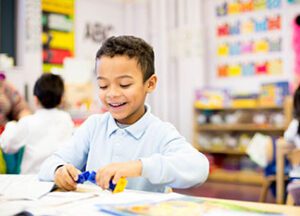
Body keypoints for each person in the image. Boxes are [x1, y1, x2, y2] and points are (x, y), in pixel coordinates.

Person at [39, 35, 209, 193]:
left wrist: (138, 167)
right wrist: (59, 170)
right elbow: (48, 165)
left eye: (125, 84)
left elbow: (199, 168)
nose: (112, 94)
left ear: (150, 84)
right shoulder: (94, 127)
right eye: (103, 86)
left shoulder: (160, 132)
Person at [0, 73, 74, 174]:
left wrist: (11, 125)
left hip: (31, 180)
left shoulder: (28, 122)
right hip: (57, 176)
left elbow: (7, 146)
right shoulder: (66, 119)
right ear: (61, 99)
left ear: (35, 99)